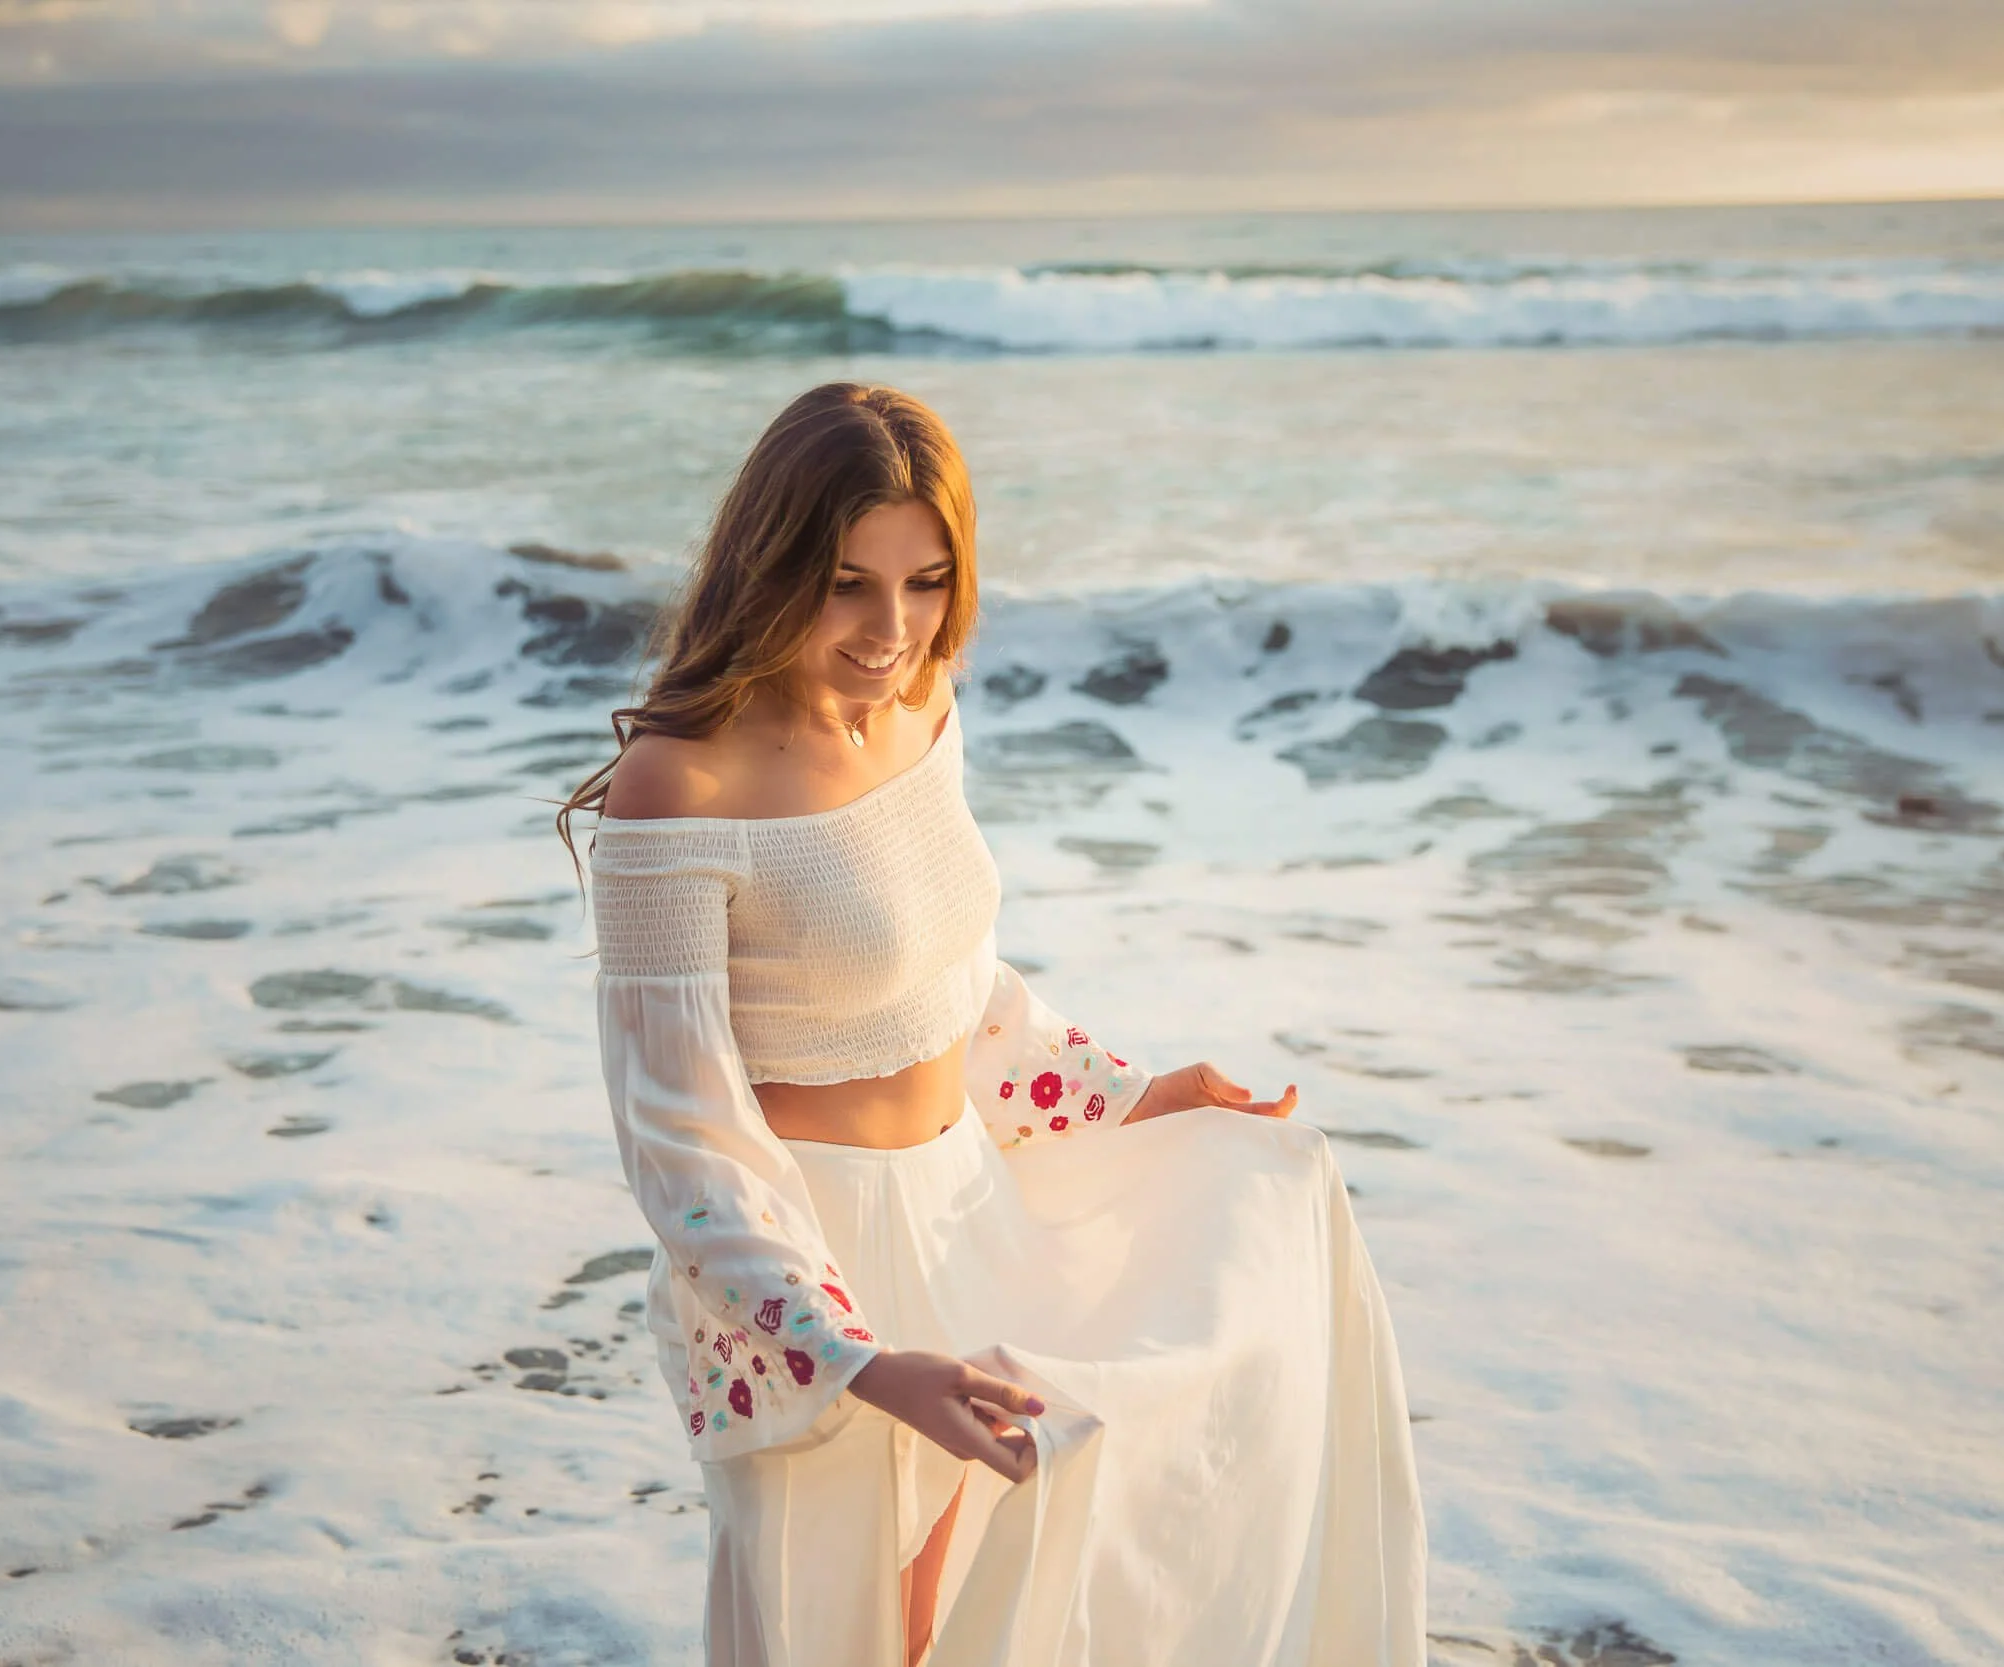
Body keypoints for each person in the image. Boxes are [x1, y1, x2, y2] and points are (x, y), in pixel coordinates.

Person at [560, 383, 1424, 1666]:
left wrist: (1132, 1093)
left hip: (969, 1203)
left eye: (926, 581)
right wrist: (857, 1358)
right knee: (835, 1628)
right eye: (847, 581)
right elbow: (680, 1134)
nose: (888, 629)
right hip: (808, 1254)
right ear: (772, 559)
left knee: (987, 1603)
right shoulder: (680, 781)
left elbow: (957, 982)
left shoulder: (921, 704)